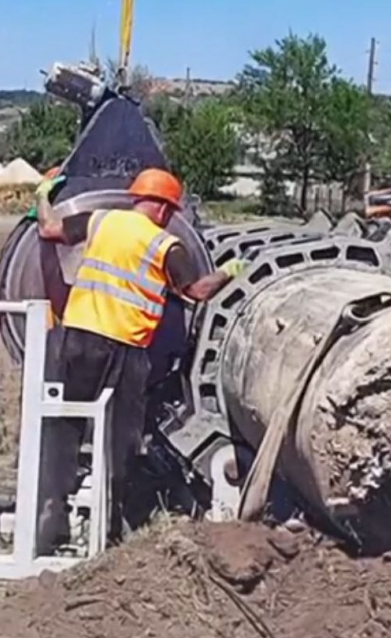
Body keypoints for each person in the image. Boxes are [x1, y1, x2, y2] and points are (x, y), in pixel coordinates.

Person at [35, 167, 245, 544]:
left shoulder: (101, 220)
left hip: (78, 337)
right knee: (121, 439)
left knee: (64, 427)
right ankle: (110, 526)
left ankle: (51, 514)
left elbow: (48, 230)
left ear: (136, 198)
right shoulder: (167, 246)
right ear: (166, 210)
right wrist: (230, 272)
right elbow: (196, 291)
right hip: (125, 350)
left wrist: (42, 196)